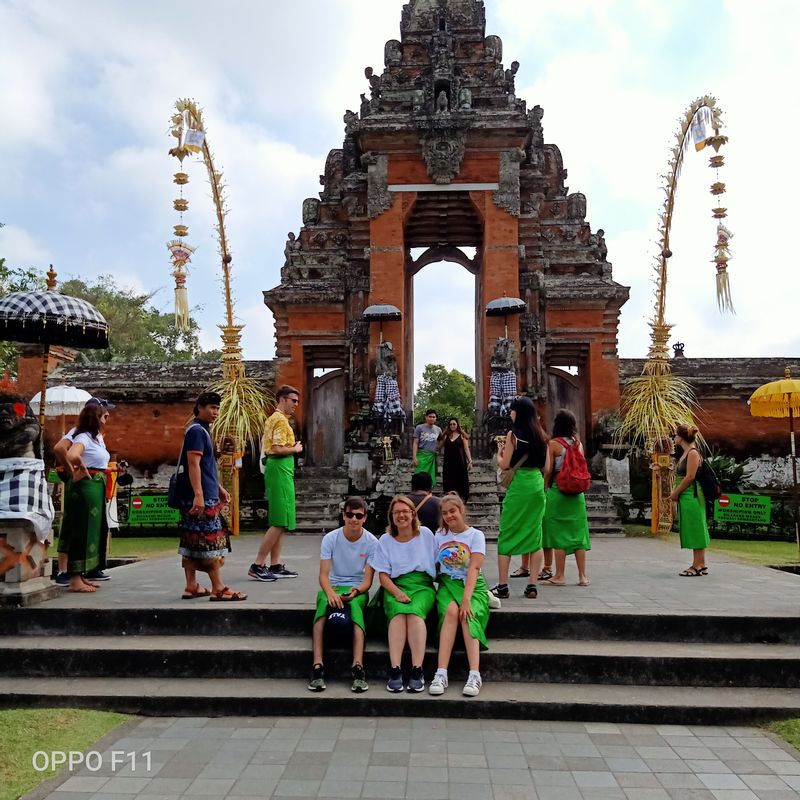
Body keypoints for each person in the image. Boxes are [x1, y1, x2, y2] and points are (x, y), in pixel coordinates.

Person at [176, 392, 246, 601]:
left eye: (217, 408)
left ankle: (191, 585)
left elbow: (206, 467)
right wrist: (200, 495)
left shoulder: (202, 430)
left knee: (191, 541)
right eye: (211, 408)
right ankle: (218, 588)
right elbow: (193, 464)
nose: (215, 412)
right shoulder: (197, 431)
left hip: (201, 493)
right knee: (210, 541)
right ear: (200, 407)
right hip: (200, 497)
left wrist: (218, 488)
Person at [308, 497, 378, 693]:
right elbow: (323, 574)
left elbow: (368, 580)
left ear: (365, 518)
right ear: (343, 516)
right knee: (322, 610)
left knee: (356, 610)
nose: (353, 519)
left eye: (358, 516)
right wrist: (330, 592)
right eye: (349, 515)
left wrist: (355, 591)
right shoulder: (331, 538)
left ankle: (358, 666)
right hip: (334, 585)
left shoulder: (372, 542)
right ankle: (317, 666)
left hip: (357, 588)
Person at [369, 495, 436, 694]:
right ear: (392, 516)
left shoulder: (425, 534)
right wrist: (397, 593)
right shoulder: (386, 540)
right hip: (394, 585)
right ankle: (395, 668)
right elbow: (383, 577)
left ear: (413, 514)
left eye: (405, 511)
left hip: (422, 584)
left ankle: (417, 669)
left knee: (414, 612)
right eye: (397, 512)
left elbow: (439, 560)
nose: (401, 516)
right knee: (398, 613)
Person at [430, 493, 489, 698]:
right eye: (445, 513)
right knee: (451, 611)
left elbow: (474, 568)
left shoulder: (475, 536)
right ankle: (441, 672)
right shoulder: (439, 535)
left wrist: (466, 599)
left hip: (472, 586)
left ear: (462, 510)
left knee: (467, 615)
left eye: (453, 511)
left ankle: (474, 674)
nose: (449, 516)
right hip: (448, 584)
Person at [491, 396, 550, 600]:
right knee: (535, 534)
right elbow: (547, 467)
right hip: (536, 484)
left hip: (519, 486)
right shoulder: (542, 436)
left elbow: (505, 465)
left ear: (519, 413)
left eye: (512, 410)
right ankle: (532, 585)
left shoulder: (513, 435)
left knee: (507, 532)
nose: (510, 413)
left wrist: (498, 454)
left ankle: (503, 586)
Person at [52, 397, 115, 586]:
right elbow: (64, 451)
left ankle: (89, 568)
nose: (108, 417)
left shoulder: (96, 437)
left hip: (96, 485)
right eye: (105, 414)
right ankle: (69, 572)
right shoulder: (80, 434)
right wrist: (74, 471)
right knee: (77, 528)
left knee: (93, 528)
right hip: (85, 487)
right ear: (96, 414)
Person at [249, 385, 303, 582]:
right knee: (279, 519)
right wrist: (295, 449)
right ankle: (258, 564)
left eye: (297, 401)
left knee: (282, 519)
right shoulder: (279, 420)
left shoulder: (277, 419)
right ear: (282, 399)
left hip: (280, 469)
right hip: (279, 467)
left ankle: (275, 564)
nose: (296, 405)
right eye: (293, 400)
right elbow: (277, 448)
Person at [542, 409, 591, 586]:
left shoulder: (553, 444)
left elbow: (548, 470)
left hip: (558, 491)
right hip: (577, 495)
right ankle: (582, 576)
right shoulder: (578, 444)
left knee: (558, 535)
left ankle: (560, 575)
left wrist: (545, 486)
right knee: (579, 535)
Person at [669, 424, 710, 576]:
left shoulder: (692, 453)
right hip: (686, 495)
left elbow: (690, 477)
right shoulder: (686, 453)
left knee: (696, 527)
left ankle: (697, 565)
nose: (674, 438)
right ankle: (701, 563)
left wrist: (676, 493)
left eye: (675, 435)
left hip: (691, 494)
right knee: (694, 526)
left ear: (681, 437)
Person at [438, 417, 473, 501]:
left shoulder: (462, 436)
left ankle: (461, 498)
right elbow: (439, 446)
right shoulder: (446, 436)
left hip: (460, 462)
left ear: (457, 425)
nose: (452, 425)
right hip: (448, 462)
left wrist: (470, 461)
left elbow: (466, 449)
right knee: (448, 479)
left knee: (460, 479)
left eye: (454, 424)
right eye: (450, 424)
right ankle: (450, 498)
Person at [412, 409, 442, 487]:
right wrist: (414, 457)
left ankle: (428, 492)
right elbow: (415, 443)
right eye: (430, 416)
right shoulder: (419, 428)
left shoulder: (438, 430)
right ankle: (418, 491)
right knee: (420, 474)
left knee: (430, 477)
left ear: (436, 418)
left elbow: (441, 441)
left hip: (432, 456)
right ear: (426, 417)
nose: (431, 418)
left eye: (433, 417)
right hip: (422, 455)